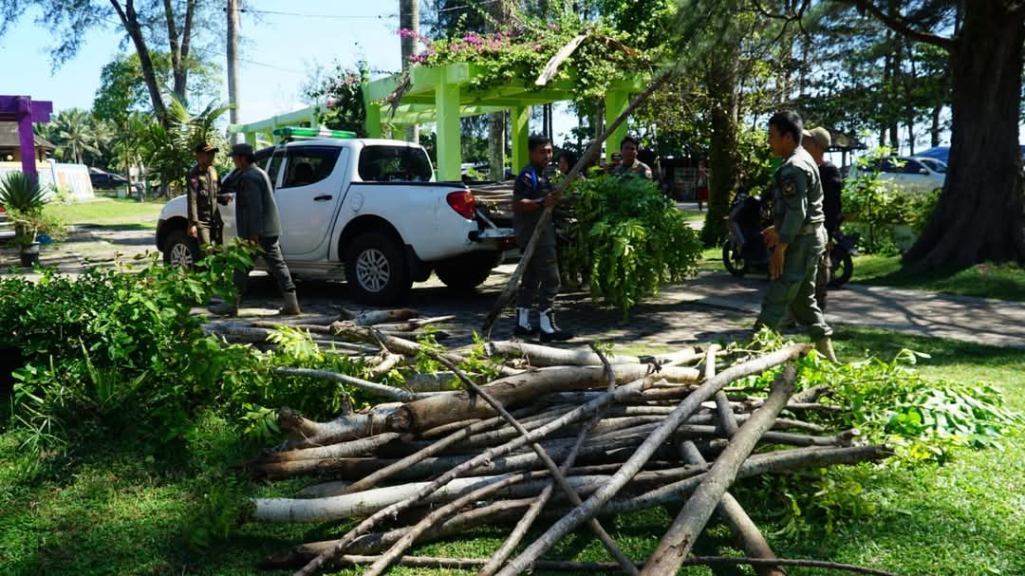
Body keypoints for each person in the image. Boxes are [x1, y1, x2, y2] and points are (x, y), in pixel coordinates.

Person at [756, 111, 837, 362]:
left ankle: (752, 356)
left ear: (788, 137)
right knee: (804, 302)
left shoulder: (794, 166)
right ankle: (831, 359)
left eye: (771, 136)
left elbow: (797, 211)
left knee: (777, 298)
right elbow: (801, 208)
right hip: (809, 237)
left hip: (801, 242)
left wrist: (781, 247)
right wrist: (777, 227)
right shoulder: (802, 159)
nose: (768, 142)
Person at [209, 143, 301, 317]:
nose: (234, 161)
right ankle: (291, 303)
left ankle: (231, 305)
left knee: (241, 266)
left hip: (257, 232)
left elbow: (254, 207)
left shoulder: (250, 176)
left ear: (242, 158)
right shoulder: (257, 173)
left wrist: (253, 234)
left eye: (235, 158)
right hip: (267, 230)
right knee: (276, 265)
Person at [512, 135, 572, 342]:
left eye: (549, 151)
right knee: (551, 279)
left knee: (530, 278)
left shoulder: (543, 174)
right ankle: (547, 328)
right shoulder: (528, 176)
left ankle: (522, 323)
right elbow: (518, 204)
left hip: (538, 232)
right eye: (542, 152)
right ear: (531, 153)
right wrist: (541, 202)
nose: (547, 155)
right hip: (536, 234)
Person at [801, 126, 843, 312]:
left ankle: (817, 311)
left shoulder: (828, 171)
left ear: (816, 145)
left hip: (820, 230)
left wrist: (829, 232)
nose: (803, 143)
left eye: (808, 140)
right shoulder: (803, 167)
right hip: (802, 232)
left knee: (819, 271)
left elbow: (833, 207)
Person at [187, 142, 220, 252]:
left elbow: (218, 192)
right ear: (199, 156)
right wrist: (193, 224)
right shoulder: (194, 174)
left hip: (215, 220)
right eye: (208, 153)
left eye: (213, 153)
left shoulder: (213, 171)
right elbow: (192, 200)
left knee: (218, 252)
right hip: (202, 222)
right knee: (207, 253)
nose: (212, 156)